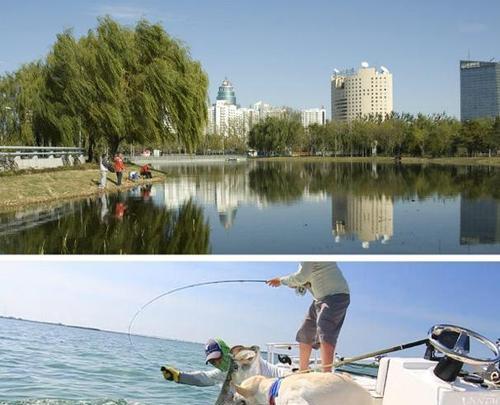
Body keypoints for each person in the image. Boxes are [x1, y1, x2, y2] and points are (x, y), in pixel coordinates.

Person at [266, 262, 350, 373]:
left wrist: (280, 281)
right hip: (318, 300)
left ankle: (327, 374)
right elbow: (305, 279)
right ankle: (303, 372)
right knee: (305, 332)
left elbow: (301, 277)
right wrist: (299, 284)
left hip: (336, 296)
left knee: (324, 327)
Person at [161, 338, 288, 387]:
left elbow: (250, 354)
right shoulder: (224, 373)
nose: (216, 363)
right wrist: (179, 376)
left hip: (284, 382)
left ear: (226, 350)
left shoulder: (245, 360)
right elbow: (203, 378)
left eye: (217, 357)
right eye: (212, 361)